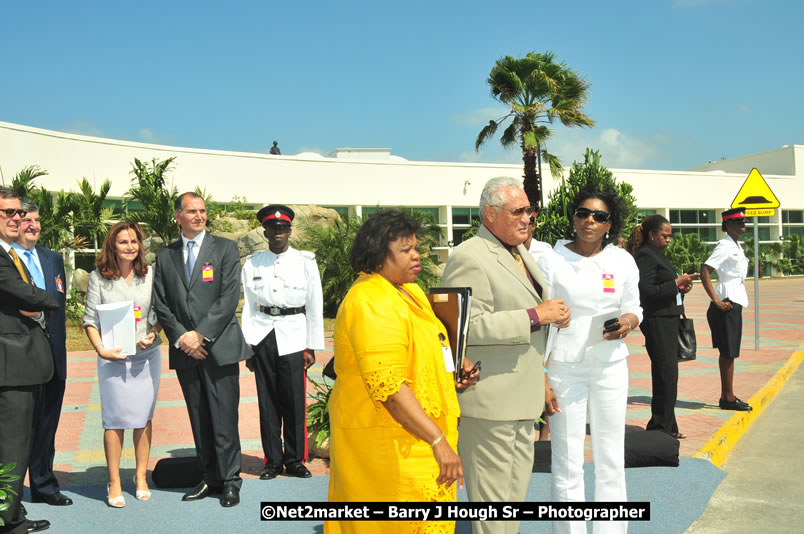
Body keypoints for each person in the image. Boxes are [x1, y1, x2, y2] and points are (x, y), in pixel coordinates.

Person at [326, 210, 477, 534]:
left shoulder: (409, 291)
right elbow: (390, 388)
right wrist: (437, 440)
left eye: (416, 247)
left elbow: (428, 346)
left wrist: (452, 368)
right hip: (388, 449)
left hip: (416, 443)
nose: (416, 255)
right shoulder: (371, 301)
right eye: (406, 250)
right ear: (378, 254)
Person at [441, 177, 570, 534]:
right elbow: (466, 327)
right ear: (489, 213)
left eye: (529, 210)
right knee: (491, 510)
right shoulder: (469, 256)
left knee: (509, 507)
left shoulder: (520, 252)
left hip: (521, 401)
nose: (527, 217)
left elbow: (530, 309)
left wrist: (551, 316)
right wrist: (535, 316)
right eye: (518, 211)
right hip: (490, 403)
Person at [540, 183, 642, 534]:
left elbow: (634, 307)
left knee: (611, 455)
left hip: (611, 364)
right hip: (565, 367)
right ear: (573, 217)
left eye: (599, 216)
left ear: (609, 224)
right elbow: (540, 316)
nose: (589, 221)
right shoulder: (550, 259)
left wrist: (627, 322)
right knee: (567, 459)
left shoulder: (622, 259)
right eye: (583, 213)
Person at [152, 192, 252, 507]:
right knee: (199, 418)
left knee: (224, 418)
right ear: (178, 216)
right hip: (186, 350)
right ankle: (209, 478)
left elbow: (228, 298)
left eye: (203, 210)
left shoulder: (224, 248)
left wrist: (202, 335)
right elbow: (161, 302)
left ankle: (231, 481)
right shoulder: (165, 255)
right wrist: (183, 337)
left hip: (218, 347)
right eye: (192, 211)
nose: (199, 216)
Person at [82, 221, 162, 507]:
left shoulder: (150, 274)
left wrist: (153, 334)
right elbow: (89, 320)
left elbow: (160, 313)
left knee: (143, 418)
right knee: (114, 420)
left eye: (134, 241)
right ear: (112, 246)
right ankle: (114, 480)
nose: (130, 247)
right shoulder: (98, 278)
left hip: (147, 357)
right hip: (112, 359)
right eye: (123, 242)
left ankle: (140, 477)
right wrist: (101, 349)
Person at [241, 204, 325, 480]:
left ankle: (295, 459)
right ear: (265, 231)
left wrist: (311, 345)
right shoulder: (252, 263)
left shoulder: (305, 261)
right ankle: (272, 461)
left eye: (283, 228)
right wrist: (248, 347)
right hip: (263, 336)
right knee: (267, 403)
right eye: (273, 228)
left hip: (294, 336)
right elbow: (250, 308)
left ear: (290, 230)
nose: (278, 232)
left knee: (294, 402)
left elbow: (314, 304)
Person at [0, 187, 55, 534]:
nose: (15, 219)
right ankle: (8, 520)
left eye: (18, 213)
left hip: (23, 364)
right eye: (7, 212)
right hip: (11, 367)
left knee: (14, 447)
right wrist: (51, 299)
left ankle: (11, 513)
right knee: (12, 449)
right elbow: (24, 293)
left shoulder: (10, 255)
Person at [12, 200, 72, 507]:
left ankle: (44, 485)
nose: (33, 225)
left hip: (53, 355)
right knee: (18, 429)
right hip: (19, 357)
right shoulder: (6, 259)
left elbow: (59, 305)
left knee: (47, 423)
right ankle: (12, 495)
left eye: (36, 220)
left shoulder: (52, 258)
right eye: (26, 220)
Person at [629, 214, 698, 439]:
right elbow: (646, 292)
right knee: (665, 375)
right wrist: (676, 283)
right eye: (664, 235)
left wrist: (680, 288)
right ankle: (659, 427)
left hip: (667, 319)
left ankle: (668, 425)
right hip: (657, 320)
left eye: (670, 236)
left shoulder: (657, 255)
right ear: (651, 235)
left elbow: (663, 288)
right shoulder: (646, 256)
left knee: (668, 375)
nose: (668, 240)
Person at [701, 208, 752, 411]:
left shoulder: (736, 245)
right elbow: (705, 270)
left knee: (730, 352)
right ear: (728, 225)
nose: (743, 225)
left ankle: (727, 396)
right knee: (728, 352)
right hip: (726, 302)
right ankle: (728, 398)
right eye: (739, 223)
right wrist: (715, 300)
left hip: (735, 301)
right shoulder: (724, 246)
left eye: (744, 222)